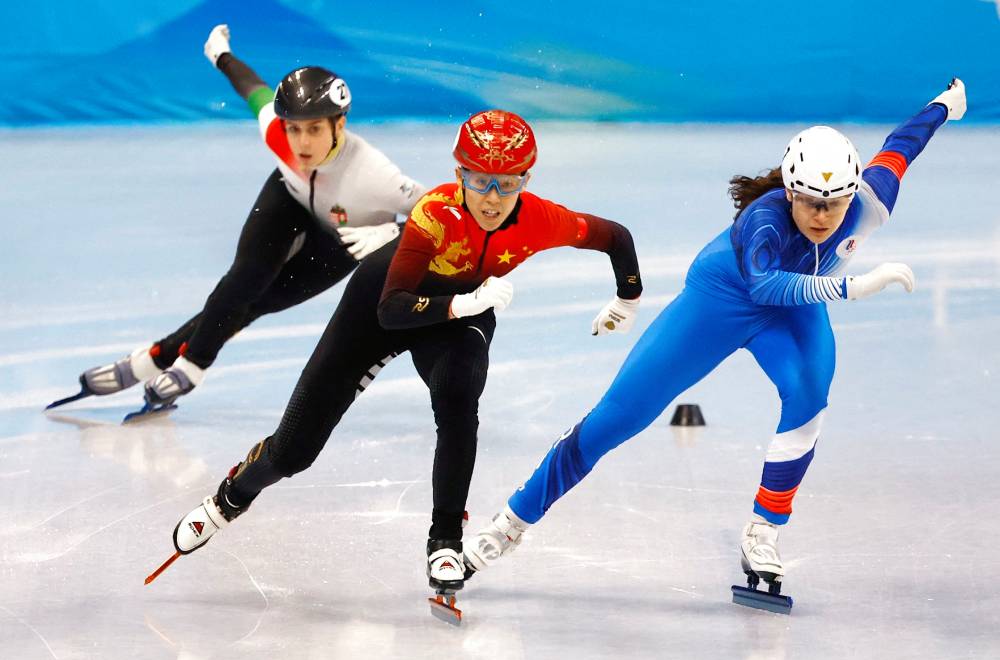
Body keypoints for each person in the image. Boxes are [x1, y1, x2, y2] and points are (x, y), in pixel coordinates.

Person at [463, 80, 967, 595]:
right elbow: (765, 285)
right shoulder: (763, 218)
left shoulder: (871, 201)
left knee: (809, 398)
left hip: (795, 308)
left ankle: (764, 529)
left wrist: (943, 106)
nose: (821, 216)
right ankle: (509, 525)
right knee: (619, 417)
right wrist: (851, 287)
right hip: (722, 299)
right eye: (809, 203)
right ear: (789, 192)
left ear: (851, 193)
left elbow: (902, 147)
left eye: (833, 204)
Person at [162, 109, 644, 599]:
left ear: (526, 180)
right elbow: (392, 310)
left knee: (459, 393)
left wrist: (627, 297)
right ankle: (230, 498)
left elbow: (615, 237)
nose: (492, 198)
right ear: (459, 174)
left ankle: (445, 541)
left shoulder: (541, 219)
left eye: (506, 183)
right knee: (294, 453)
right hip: (380, 306)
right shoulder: (435, 213)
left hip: (459, 318)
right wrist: (463, 303)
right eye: (479, 180)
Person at [48, 25, 424, 412]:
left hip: (345, 237)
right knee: (244, 280)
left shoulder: (375, 175)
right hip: (290, 198)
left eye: (314, 129)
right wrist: (221, 56)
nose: (302, 142)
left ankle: (152, 359)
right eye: (294, 129)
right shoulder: (279, 135)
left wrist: (392, 231)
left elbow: (444, 211)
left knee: (262, 302)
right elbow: (253, 89)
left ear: (339, 125)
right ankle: (191, 366)